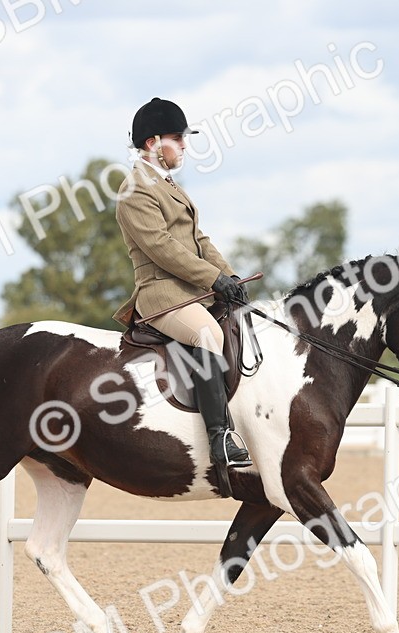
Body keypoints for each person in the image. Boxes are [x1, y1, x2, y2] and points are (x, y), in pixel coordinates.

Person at [113, 97, 252, 470]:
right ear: (152, 143)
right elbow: (162, 247)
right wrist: (213, 279)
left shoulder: (167, 184)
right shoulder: (135, 190)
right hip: (161, 294)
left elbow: (198, 239)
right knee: (208, 333)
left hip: (191, 290)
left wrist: (229, 275)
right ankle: (219, 436)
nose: (185, 145)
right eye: (178, 137)